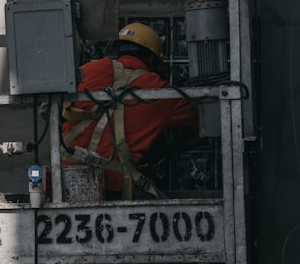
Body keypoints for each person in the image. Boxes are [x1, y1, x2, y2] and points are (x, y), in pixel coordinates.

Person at [61, 22, 198, 199]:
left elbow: (52, 110)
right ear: (151, 59)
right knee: (171, 217)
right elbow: (201, 121)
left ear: (120, 50)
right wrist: (168, 147)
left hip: (66, 180)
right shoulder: (159, 89)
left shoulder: (85, 72)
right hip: (114, 185)